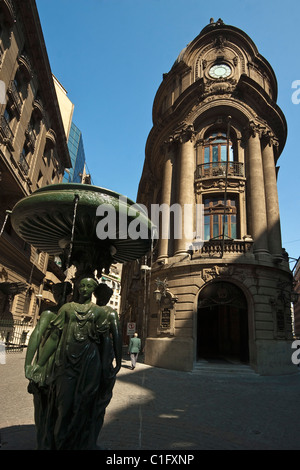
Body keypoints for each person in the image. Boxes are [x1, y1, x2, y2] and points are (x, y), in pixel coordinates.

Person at [29, 276, 122, 450]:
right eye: (82, 285)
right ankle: (61, 442)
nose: (85, 289)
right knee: (64, 405)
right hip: (67, 363)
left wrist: (109, 364)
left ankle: (81, 443)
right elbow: (54, 338)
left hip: (91, 362)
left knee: (85, 405)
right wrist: (39, 364)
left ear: (93, 290)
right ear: (78, 288)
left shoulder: (101, 313)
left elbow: (108, 341)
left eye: (89, 286)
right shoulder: (66, 309)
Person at [24, 281, 72, 450]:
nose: (60, 297)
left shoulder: (62, 313)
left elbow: (38, 336)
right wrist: (28, 364)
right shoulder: (53, 314)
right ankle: (45, 443)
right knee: (46, 408)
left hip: (57, 366)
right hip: (53, 366)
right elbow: (36, 335)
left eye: (63, 294)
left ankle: (47, 443)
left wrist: (31, 364)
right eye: (57, 294)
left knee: (48, 409)